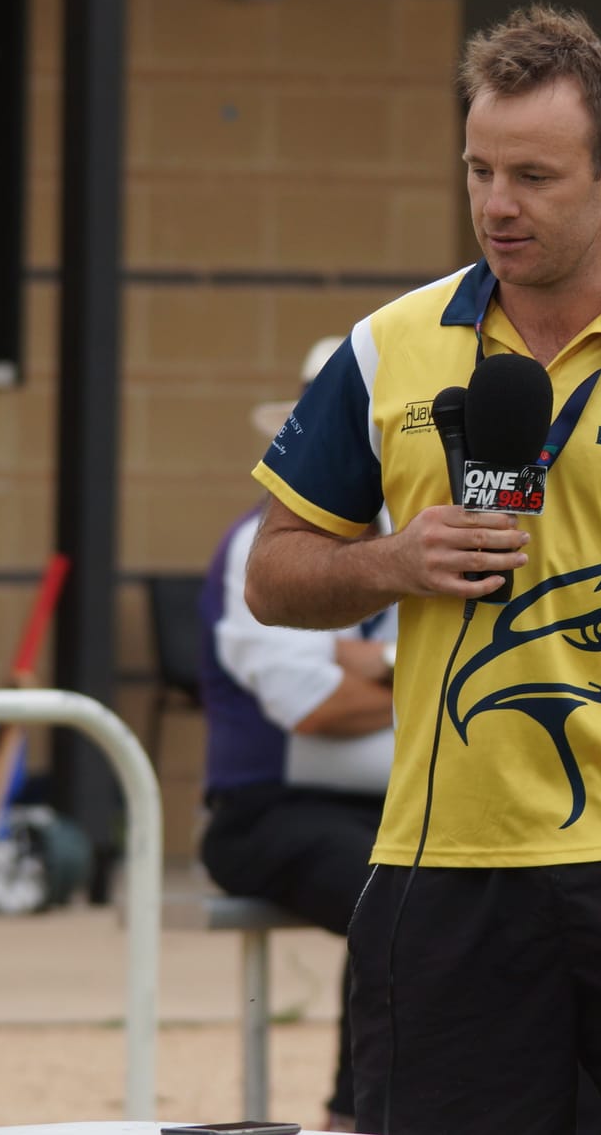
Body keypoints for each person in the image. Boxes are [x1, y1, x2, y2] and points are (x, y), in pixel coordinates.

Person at [244, 4, 601, 1134]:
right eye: (477, 170)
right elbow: (271, 576)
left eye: (531, 174)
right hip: (441, 867)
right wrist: (392, 560)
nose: (495, 204)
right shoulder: (386, 347)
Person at [198, 336, 398, 1134]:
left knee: (485, 897)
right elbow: (311, 704)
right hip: (268, 811)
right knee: (397, 901)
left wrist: (371, 662)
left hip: (396, 808)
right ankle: (356, 1116)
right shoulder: (263, 544)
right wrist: (422, 672)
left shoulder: (424, 535)